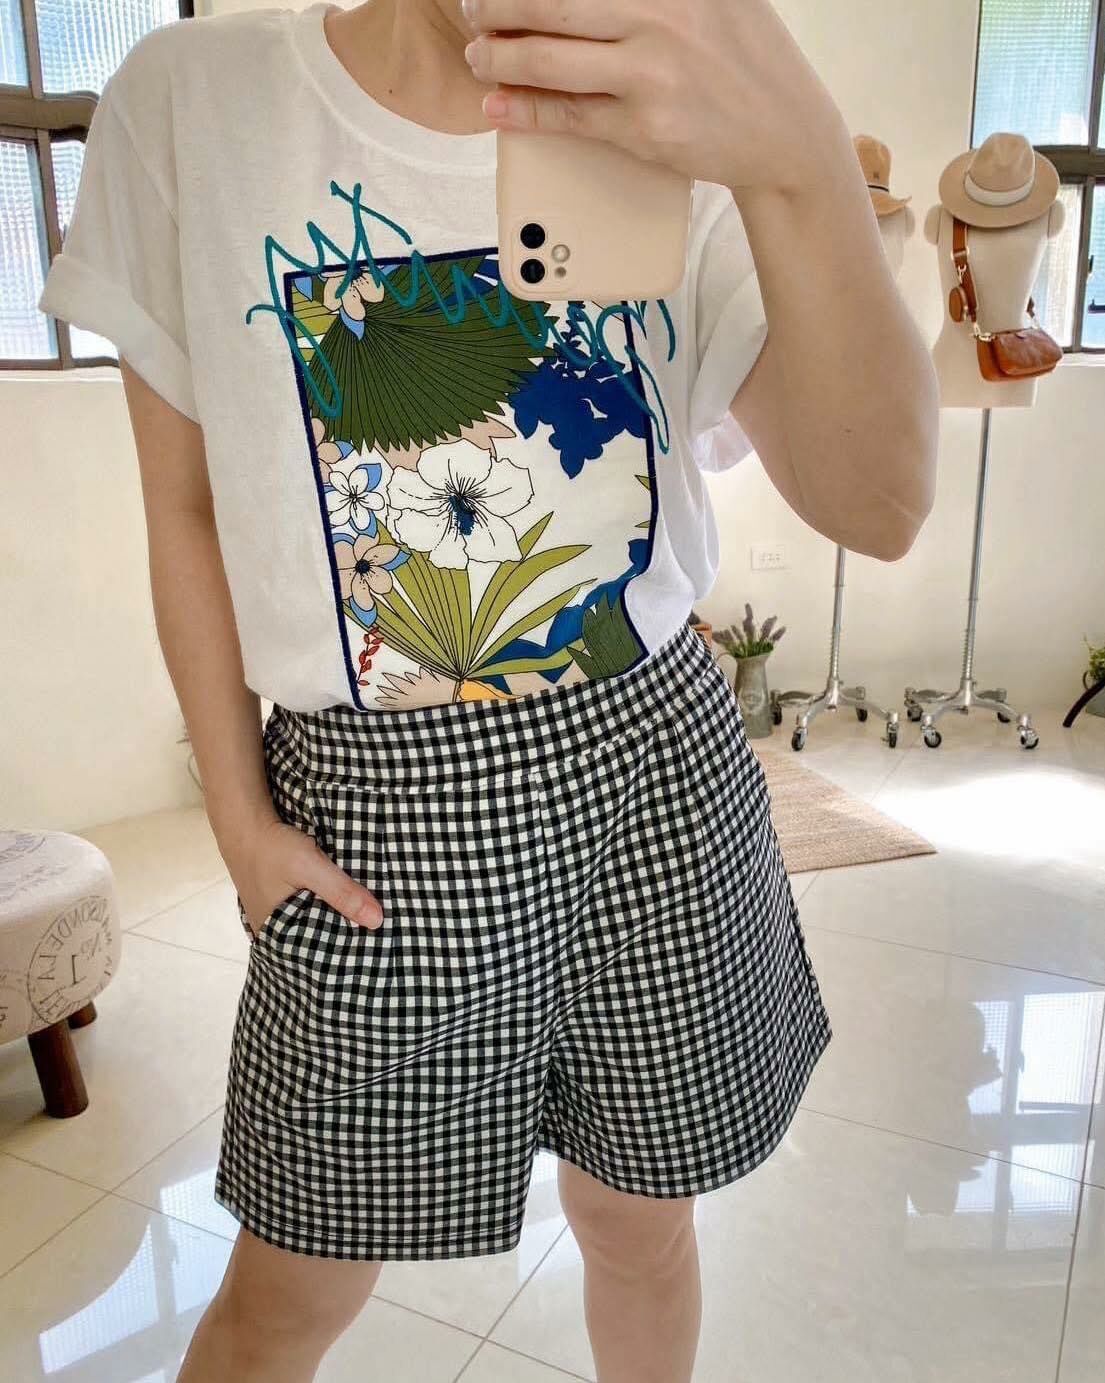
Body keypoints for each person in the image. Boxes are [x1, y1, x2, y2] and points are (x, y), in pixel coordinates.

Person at [38, 1, 938, 1379]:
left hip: (656, 780)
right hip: (373, 822)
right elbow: (187, 510)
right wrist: (237, 817)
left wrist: (798, 152)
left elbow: (880, 505)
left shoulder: (675, 109)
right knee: (290, 1288)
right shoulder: (192, 100)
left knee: (638, 1225)